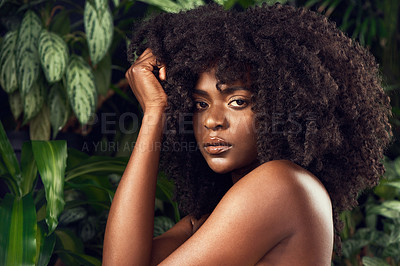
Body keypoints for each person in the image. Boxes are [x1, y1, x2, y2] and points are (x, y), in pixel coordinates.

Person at [103, 3, 392, 265]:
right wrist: (155, 111)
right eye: (200, 104)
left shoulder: (282, 184)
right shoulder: (210, 219)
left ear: (284, 107)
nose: (212, 121)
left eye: (237, 102)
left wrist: (154, 112)